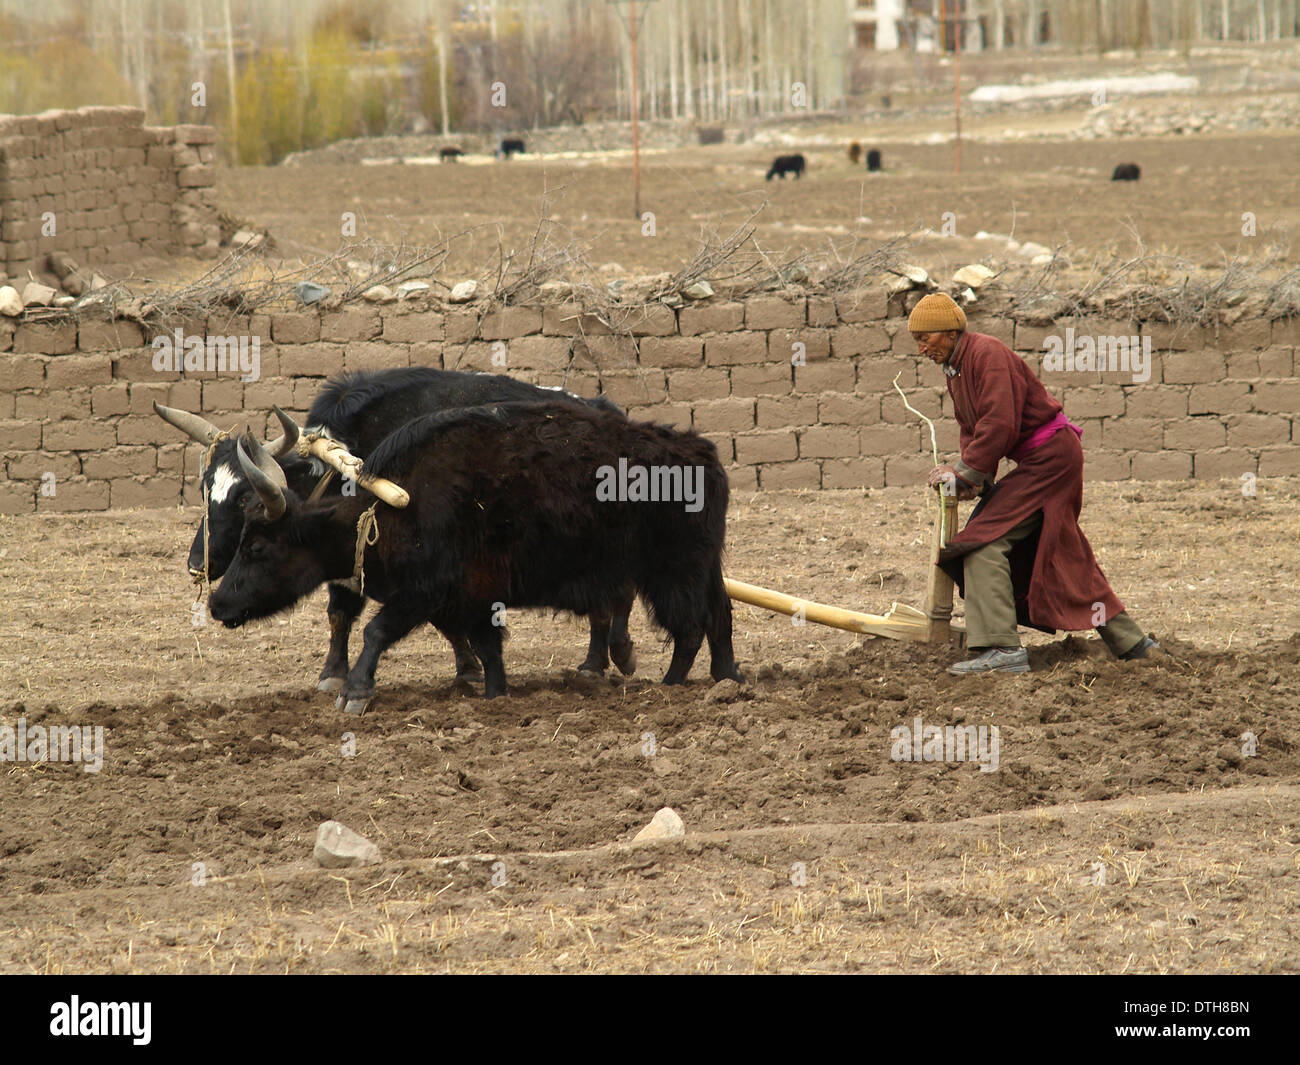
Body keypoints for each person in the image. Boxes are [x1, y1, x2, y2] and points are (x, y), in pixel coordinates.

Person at [907, 292, 1163, 675]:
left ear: (948, 332)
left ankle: (1002, 648)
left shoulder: (985, 354)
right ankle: (1133, 644)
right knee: (1064, 552)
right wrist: (973, 481)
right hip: (1044, 460)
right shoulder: (956, 371)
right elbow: (973, 431)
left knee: (982, 543)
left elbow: (999, 424)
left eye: (925, 339)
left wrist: (963, 472)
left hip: (1051, 459)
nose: (922, 348)